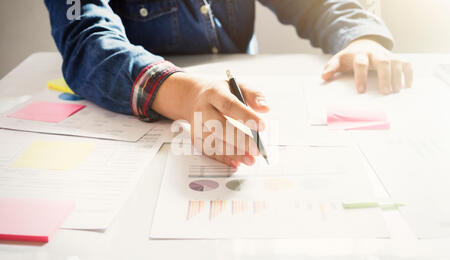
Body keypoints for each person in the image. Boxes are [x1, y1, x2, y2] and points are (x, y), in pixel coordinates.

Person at [45, 0, 412, 168]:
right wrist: (186, 93)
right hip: (143, 134)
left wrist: (360, 38)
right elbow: (86, 41)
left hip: (232, 106)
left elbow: (316, 4)